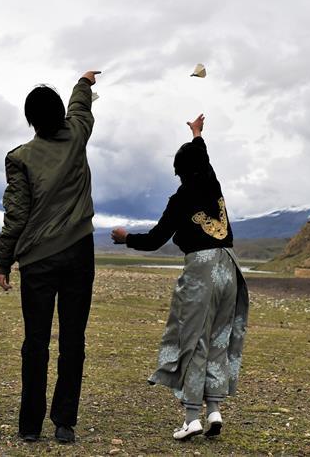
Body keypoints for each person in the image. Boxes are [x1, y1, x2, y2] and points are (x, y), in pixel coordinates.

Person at [111, 114, 249, 441]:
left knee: (192, 339)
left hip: (201, 268)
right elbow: (203, 156)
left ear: (180, 172)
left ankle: (192, 418)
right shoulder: (212, 183)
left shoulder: (180, 198)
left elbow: (156, 239)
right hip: (229, 265)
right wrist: (198, 134)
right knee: (218, 337)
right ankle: (213, 409)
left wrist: (125, 238)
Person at [0, 71, 100, 444]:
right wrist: (84, 82)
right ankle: (64, 423)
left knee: (35, 341)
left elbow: (17, 215)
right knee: (74, 338)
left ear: (30, 121)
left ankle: (29, 426)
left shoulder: (20, 158)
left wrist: (4, 260)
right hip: (78, 254)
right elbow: (81, 107)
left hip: (37, 261)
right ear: (59, 114)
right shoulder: (77, 136)